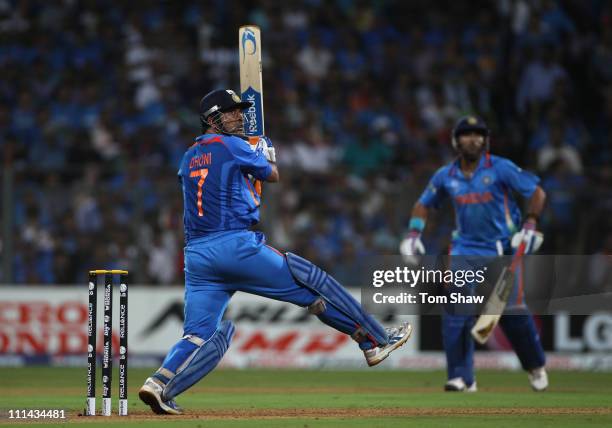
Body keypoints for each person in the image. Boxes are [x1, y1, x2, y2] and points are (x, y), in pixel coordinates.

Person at [138, 89, 412, 415]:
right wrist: (265, 150)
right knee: (311, 278)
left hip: (197, 256)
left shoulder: (188, 156)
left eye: (240, 111)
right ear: (212, 119)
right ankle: (377, 340)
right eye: (230, 112)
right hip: (235, 246)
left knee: (198, 334)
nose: (239, 116)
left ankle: (159, 385)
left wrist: (251, 168)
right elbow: (272, 174)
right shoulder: (232, 145)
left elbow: (230, 184)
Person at [400, 115, 548, 392]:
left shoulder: (501, 168)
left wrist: (529, 225)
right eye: (467, 134)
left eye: (478, 134)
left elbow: (537, 193)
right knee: (456, 310)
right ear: (457, 141)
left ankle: (535, 365)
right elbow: (423, 205)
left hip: (503, 247)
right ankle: (461, 376)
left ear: (486, 140)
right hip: (465, 248)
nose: (473, 139)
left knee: (513, 313)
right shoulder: (446, 175)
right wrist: (413, 234)